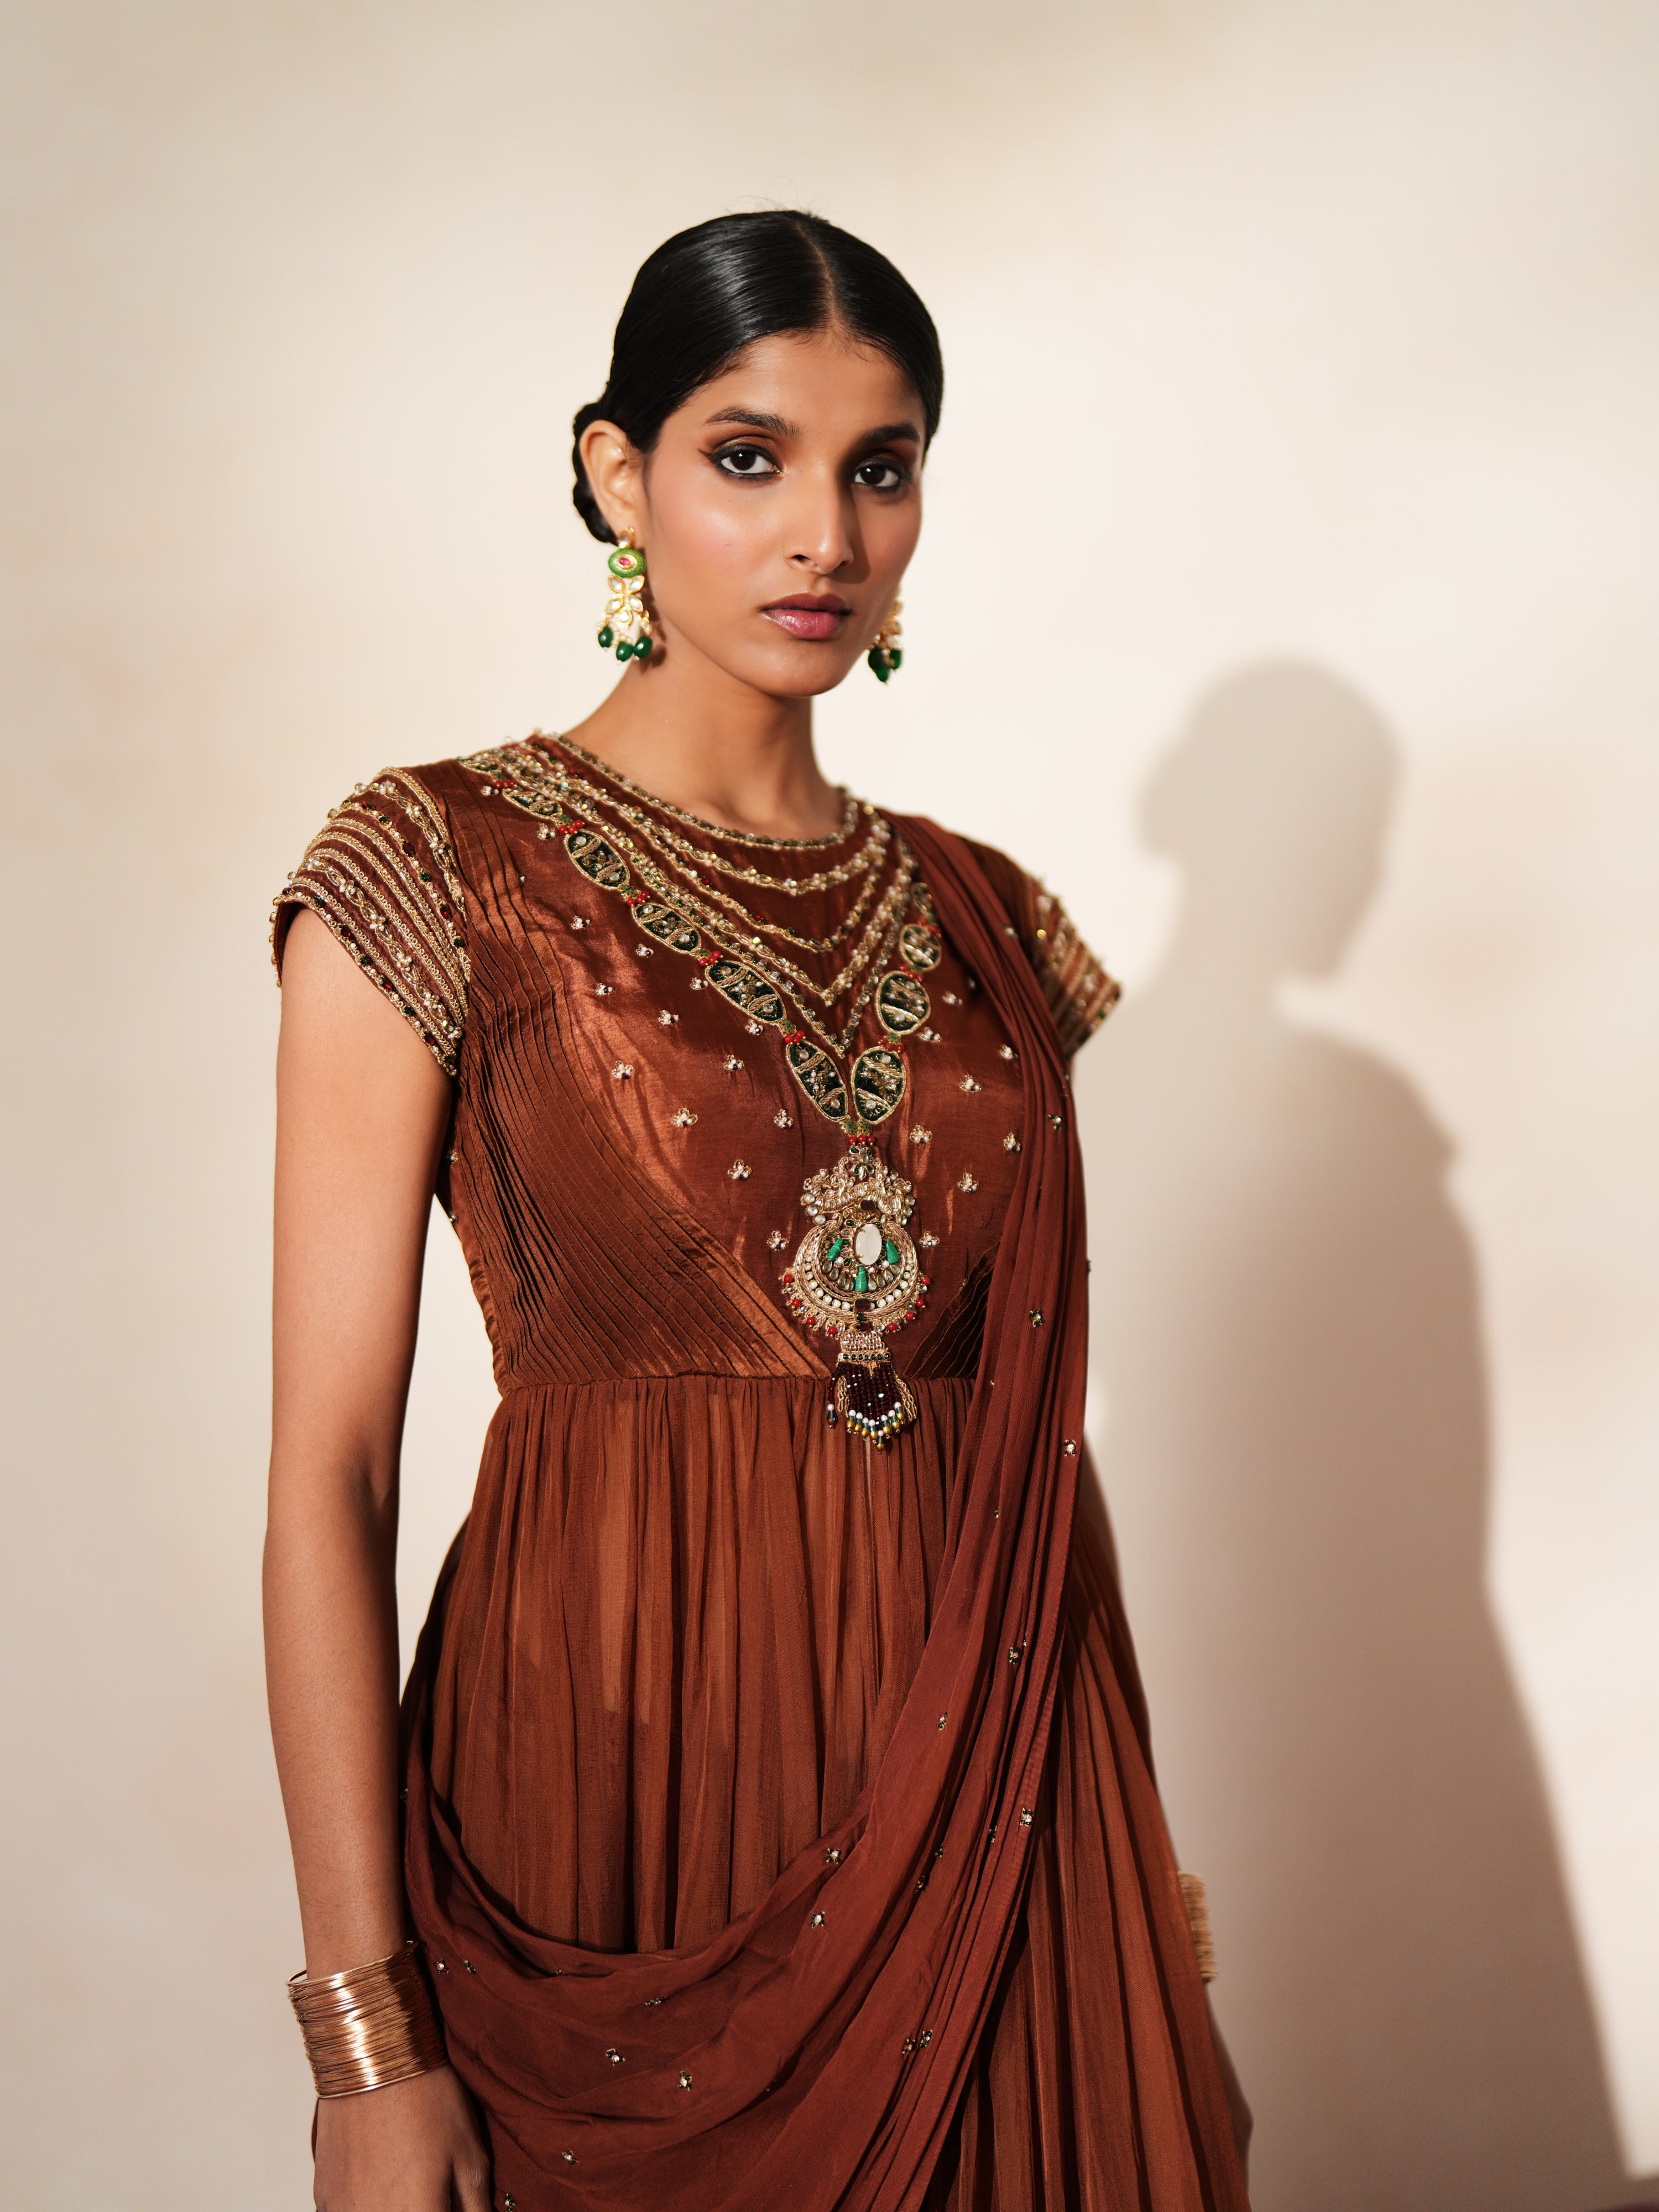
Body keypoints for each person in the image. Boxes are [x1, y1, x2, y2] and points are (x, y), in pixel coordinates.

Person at [265, 209, 1253, 2212]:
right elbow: (327, 1479)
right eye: (749, 455)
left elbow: (1034, 1446)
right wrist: (367, 2038)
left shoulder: (990, 923)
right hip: (620, 1785)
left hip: (1004, 1814)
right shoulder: (435, 868)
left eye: (878, 466)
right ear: (616, 475)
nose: (825, 531)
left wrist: (1151, 1919)